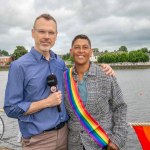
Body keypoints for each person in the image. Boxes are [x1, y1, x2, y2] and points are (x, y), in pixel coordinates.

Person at [4, 14, 114, 150]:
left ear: (56, 36)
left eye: (51, 32)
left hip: (66, 135)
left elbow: (79, 72)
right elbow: (11, 109)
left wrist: (103, 68)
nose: (46, 36)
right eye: (42, 31)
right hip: (38, 141)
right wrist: (46, 103)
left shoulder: (59, 63)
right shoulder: (19, 66)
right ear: (33, 33)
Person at [64, 34, 128, 150]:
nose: (81, 51)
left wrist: (117, 140)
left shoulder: (106, 75)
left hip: (102, 143)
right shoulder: (65, 78)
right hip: (74, 144)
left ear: (91, 51)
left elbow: (120, 107)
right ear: (71, 51)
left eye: (85, 47)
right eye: (77, 47)